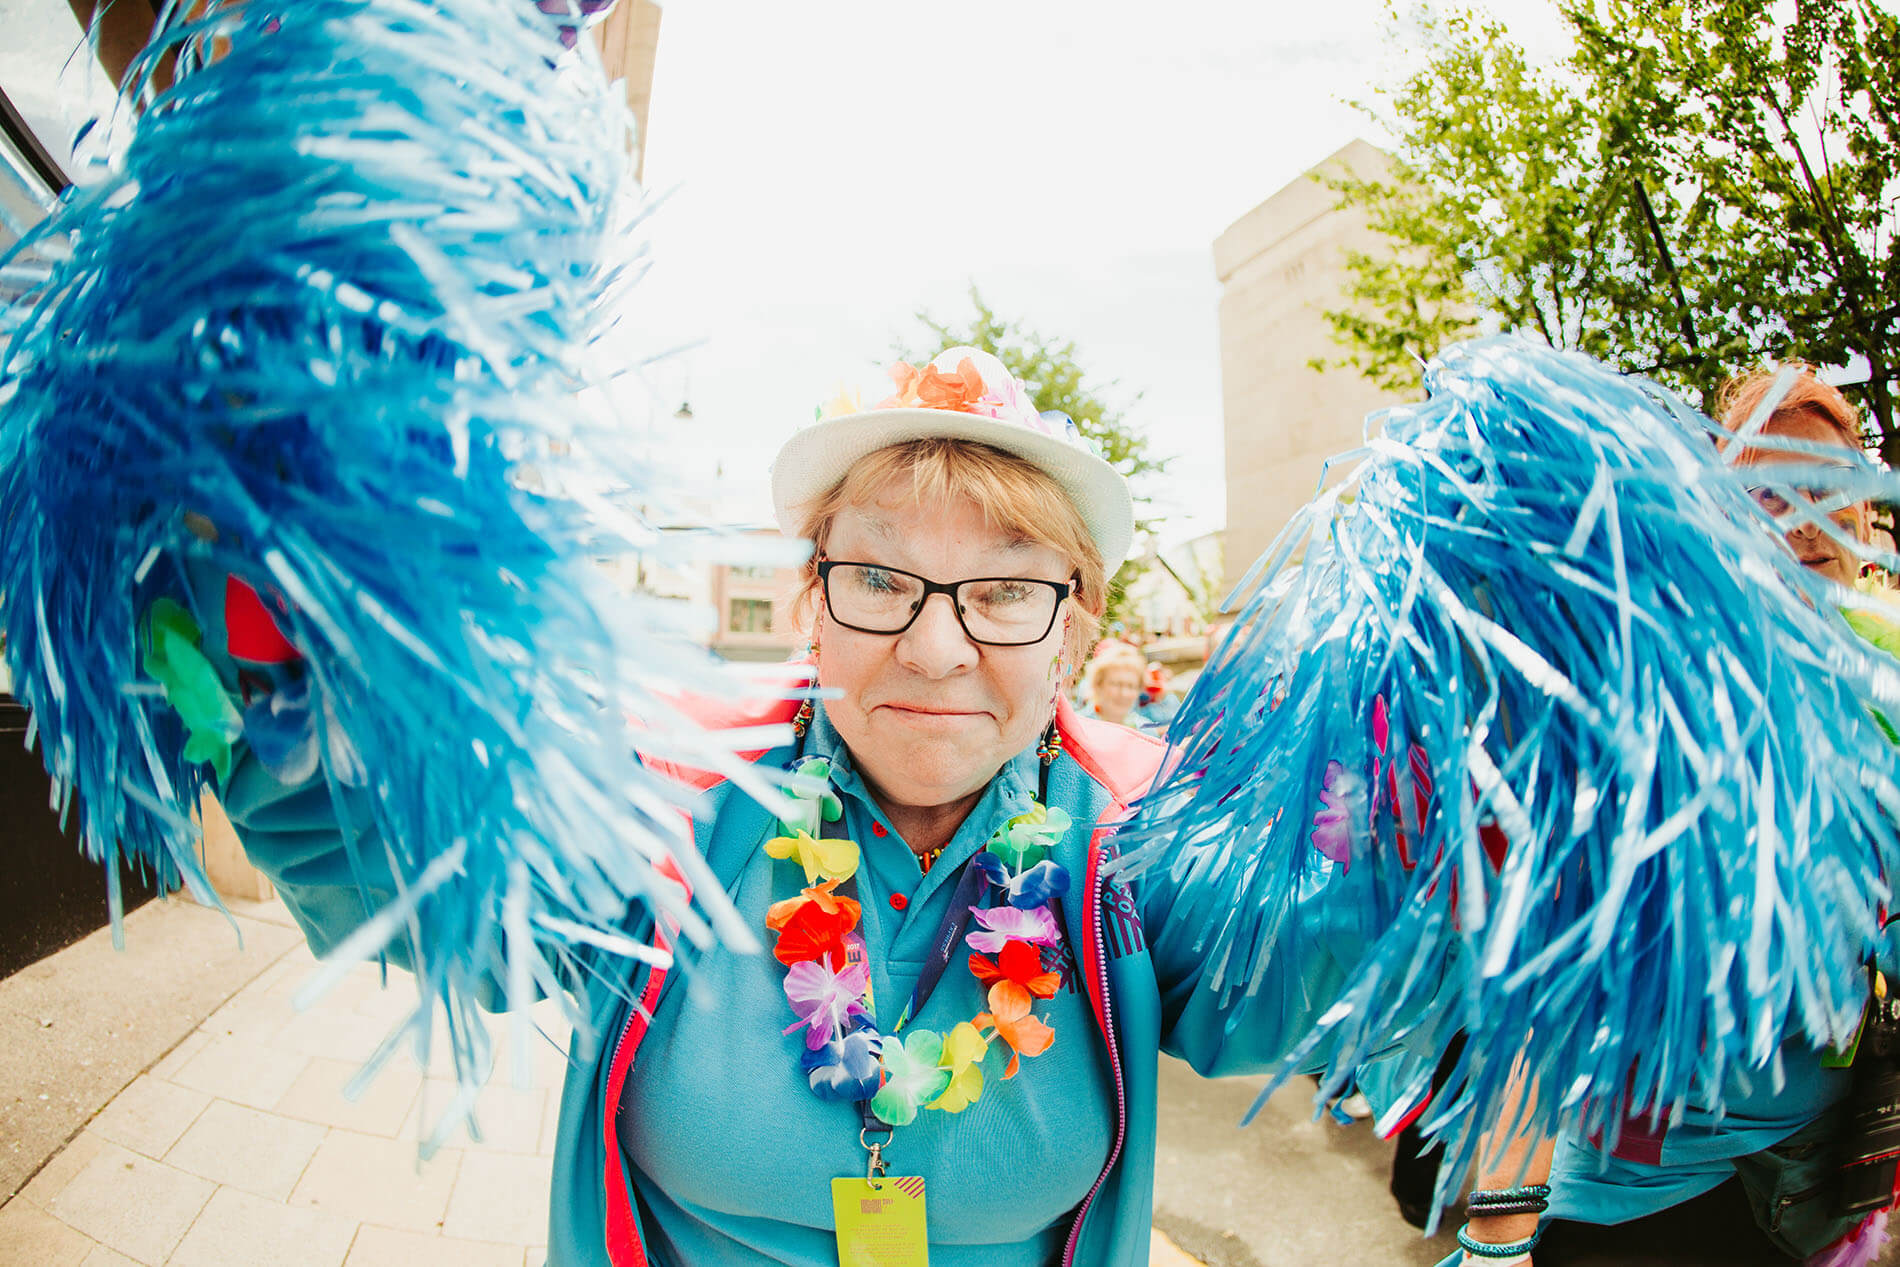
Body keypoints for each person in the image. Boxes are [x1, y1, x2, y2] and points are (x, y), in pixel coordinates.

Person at [207, 346, 1387, 1266]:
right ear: (811, 604)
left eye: (1005, 591)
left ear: (1073, 630)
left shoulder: (1144, 840)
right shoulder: (662, 797)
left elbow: (1296, 973)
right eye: (879, 577)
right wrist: (276, 677)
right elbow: (417, 888)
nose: (936, 648)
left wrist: (1416, 826)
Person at [1456, 365, 1896, 1267]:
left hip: (1819, 1181)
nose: (1805, 516)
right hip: (1645, 1194)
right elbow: (1534, 952)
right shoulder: (1649, 683)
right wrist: (1502, 1224)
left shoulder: (1882, 683)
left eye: (1830, 486)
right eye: (1770, 491)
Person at [1081, 640, 1151, 728]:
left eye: (1131, 686)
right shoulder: (1077, 727)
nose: (1124, 694)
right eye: (1116, 684)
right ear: (1098, 685)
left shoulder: (1146, 731)